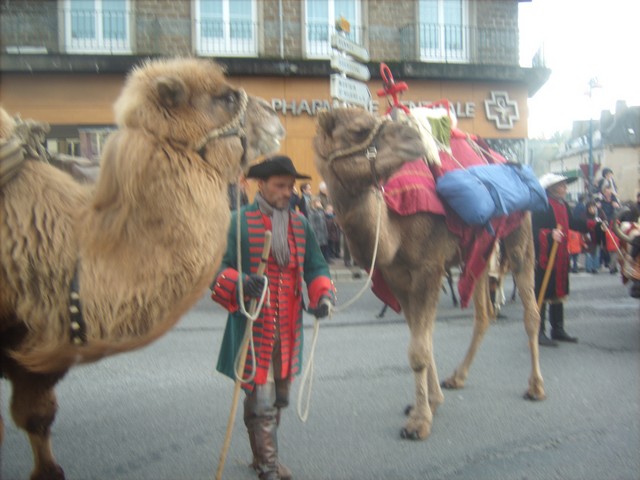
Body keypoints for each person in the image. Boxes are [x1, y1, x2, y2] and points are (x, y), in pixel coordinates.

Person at [210, 155, 336, 480]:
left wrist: (322, 295)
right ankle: (267, 468)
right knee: (262, 400)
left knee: (277, 400)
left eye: (290, 186)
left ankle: (262, 454)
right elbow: (215, 269)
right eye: (280, 186)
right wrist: (239, 282)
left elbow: (316, 266)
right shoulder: (237, 222)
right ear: (261, 185)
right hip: (253, 326)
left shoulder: (300, 224)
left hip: (289, 328)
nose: (288, 192)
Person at [532, 173, 592, 347]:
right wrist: (549, 234)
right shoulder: (541, 205)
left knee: (558, 294)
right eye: (562, 185)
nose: (565, 187)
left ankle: (557, 329)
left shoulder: (563, 204)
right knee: (542, 294)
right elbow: (532, 229)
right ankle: (538, 332)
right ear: (551, 188)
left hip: (561, 257)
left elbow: (573, 223)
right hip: (545, 256)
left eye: (565, 185)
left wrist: (593, 225)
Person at [584, 199, 603, 273]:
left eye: (594, 207)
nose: (593, 209)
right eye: (591, 208)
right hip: (588, 237)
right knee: (588, 253)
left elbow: (604, 222)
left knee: (596, 253)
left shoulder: (598, 216)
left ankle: (595, 268)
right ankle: (589, 268)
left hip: (597, 237)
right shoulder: (585, 216)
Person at [308, 197, 330, 261]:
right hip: (317, 232)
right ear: (314, 203)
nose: (320, 203)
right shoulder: (311, 211)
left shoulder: (321, 210)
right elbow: (311, 223)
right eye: (318, 202)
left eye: (320, 202)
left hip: (323, 231)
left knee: (324, 247)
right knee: (318, 248)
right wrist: (313, 233)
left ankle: (324, 259)